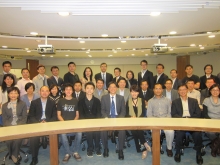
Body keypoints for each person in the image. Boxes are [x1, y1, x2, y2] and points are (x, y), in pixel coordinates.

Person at [171, 84, 203, 164]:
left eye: (184, 89)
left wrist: (189, 120)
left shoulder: (194, 101)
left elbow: (198, 113)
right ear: (178, 91)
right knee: (179, 134)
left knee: (197, 134)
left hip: (192, 122)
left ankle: (198, 153)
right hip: (181, 122)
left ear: (187, 90)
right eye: (180, 90)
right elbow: (174, 114)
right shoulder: (175, 102)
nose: (182, 91)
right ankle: (178, 152)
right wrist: (183, 120)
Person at [28, 86, 57, 165]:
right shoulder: (34, 102)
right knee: (34, 137)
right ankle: (34, 157)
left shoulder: (52, 102)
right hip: (37, 123)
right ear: (39, 92)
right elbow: (31, 116)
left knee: (54, 135)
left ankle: (55, 158)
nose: (44, 93)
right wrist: (38, 122)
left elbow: (54, 116)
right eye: (43, 91)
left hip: (48, 122)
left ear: (49, 92)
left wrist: (47, 122)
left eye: (46, 91)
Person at [147, 83, 175, 157]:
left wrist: (165, 121)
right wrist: (156, 121)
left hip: (166, 121)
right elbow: (149, 115)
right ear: (153, 90)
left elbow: (169, 113)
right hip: (154, 121)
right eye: (156, 88)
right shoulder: (150, 101)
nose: (158, 90)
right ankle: (156, 147)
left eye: (159, 88)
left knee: (170, 132)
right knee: (156, 131)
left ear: (162, 90)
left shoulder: (167, 100)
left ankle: (169, 148)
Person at [57, 83, 82, 163]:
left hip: (74, 123)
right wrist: (64, 123)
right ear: (64, 91)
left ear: (72, 91)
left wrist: (73, 122)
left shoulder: (75, 100)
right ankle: (67, 153)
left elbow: (77, 115)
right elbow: (59, 115)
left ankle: (75, 151)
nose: (68, 91)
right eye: (66, 89)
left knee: (79, 133)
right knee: (63, 134)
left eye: (70, 89)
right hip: (63, 123)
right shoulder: (61, 101)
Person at [2, 87, 27, 164]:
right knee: (9, 140)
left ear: (18, 94)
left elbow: (24, 117)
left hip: (19, 126)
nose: (13, 95)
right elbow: (4, 119)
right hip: (8, 127)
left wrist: (17, 127)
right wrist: (10, 127)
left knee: (17, 139)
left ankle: (14, 155)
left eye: (15, 93)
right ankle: (12, 153)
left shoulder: (22, 104)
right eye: (11, 93)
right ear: (8, 95)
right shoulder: (4, 105)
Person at [101, 81, 126, 160]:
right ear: (108, 89)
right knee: (103, 130)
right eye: (110, 87)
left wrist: (118, 119)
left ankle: (120, 149)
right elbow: (102, 110)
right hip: (107, 118)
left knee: (122, 130)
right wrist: (107, 118)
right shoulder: (104, 98)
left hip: (118, 118)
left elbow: (123, 111)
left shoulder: (121, 98)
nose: (112, 88)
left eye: (114, 87)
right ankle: (105, 148)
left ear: (116, 88)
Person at [127, 85, 151, 159]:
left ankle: (142, 148)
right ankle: (144, 144)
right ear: (130, 93)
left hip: (140, 120)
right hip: (131, 121)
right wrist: (130, 117)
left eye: (136, 92)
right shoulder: (128, 101)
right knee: (134, 131)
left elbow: (143, 113)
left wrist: (137, 119)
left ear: (138, 93)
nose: (134, 93)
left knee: (139, 130)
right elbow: (126, 113)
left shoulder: (142, 100)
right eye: (132, 92)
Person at [78, 82, 102, 157]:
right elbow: (81, 114)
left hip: (96, 121)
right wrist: (86, 123)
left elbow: (99, 113)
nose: (89, 90)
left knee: (97, 131)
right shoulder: (80, 101)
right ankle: (90, 148)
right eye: (87, 88)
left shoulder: (97, 101)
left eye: (91, 88)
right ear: (85, 89)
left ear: (93, 90)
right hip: (85, 122)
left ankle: (97, 148)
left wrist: (96, 122)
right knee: (89, 132)